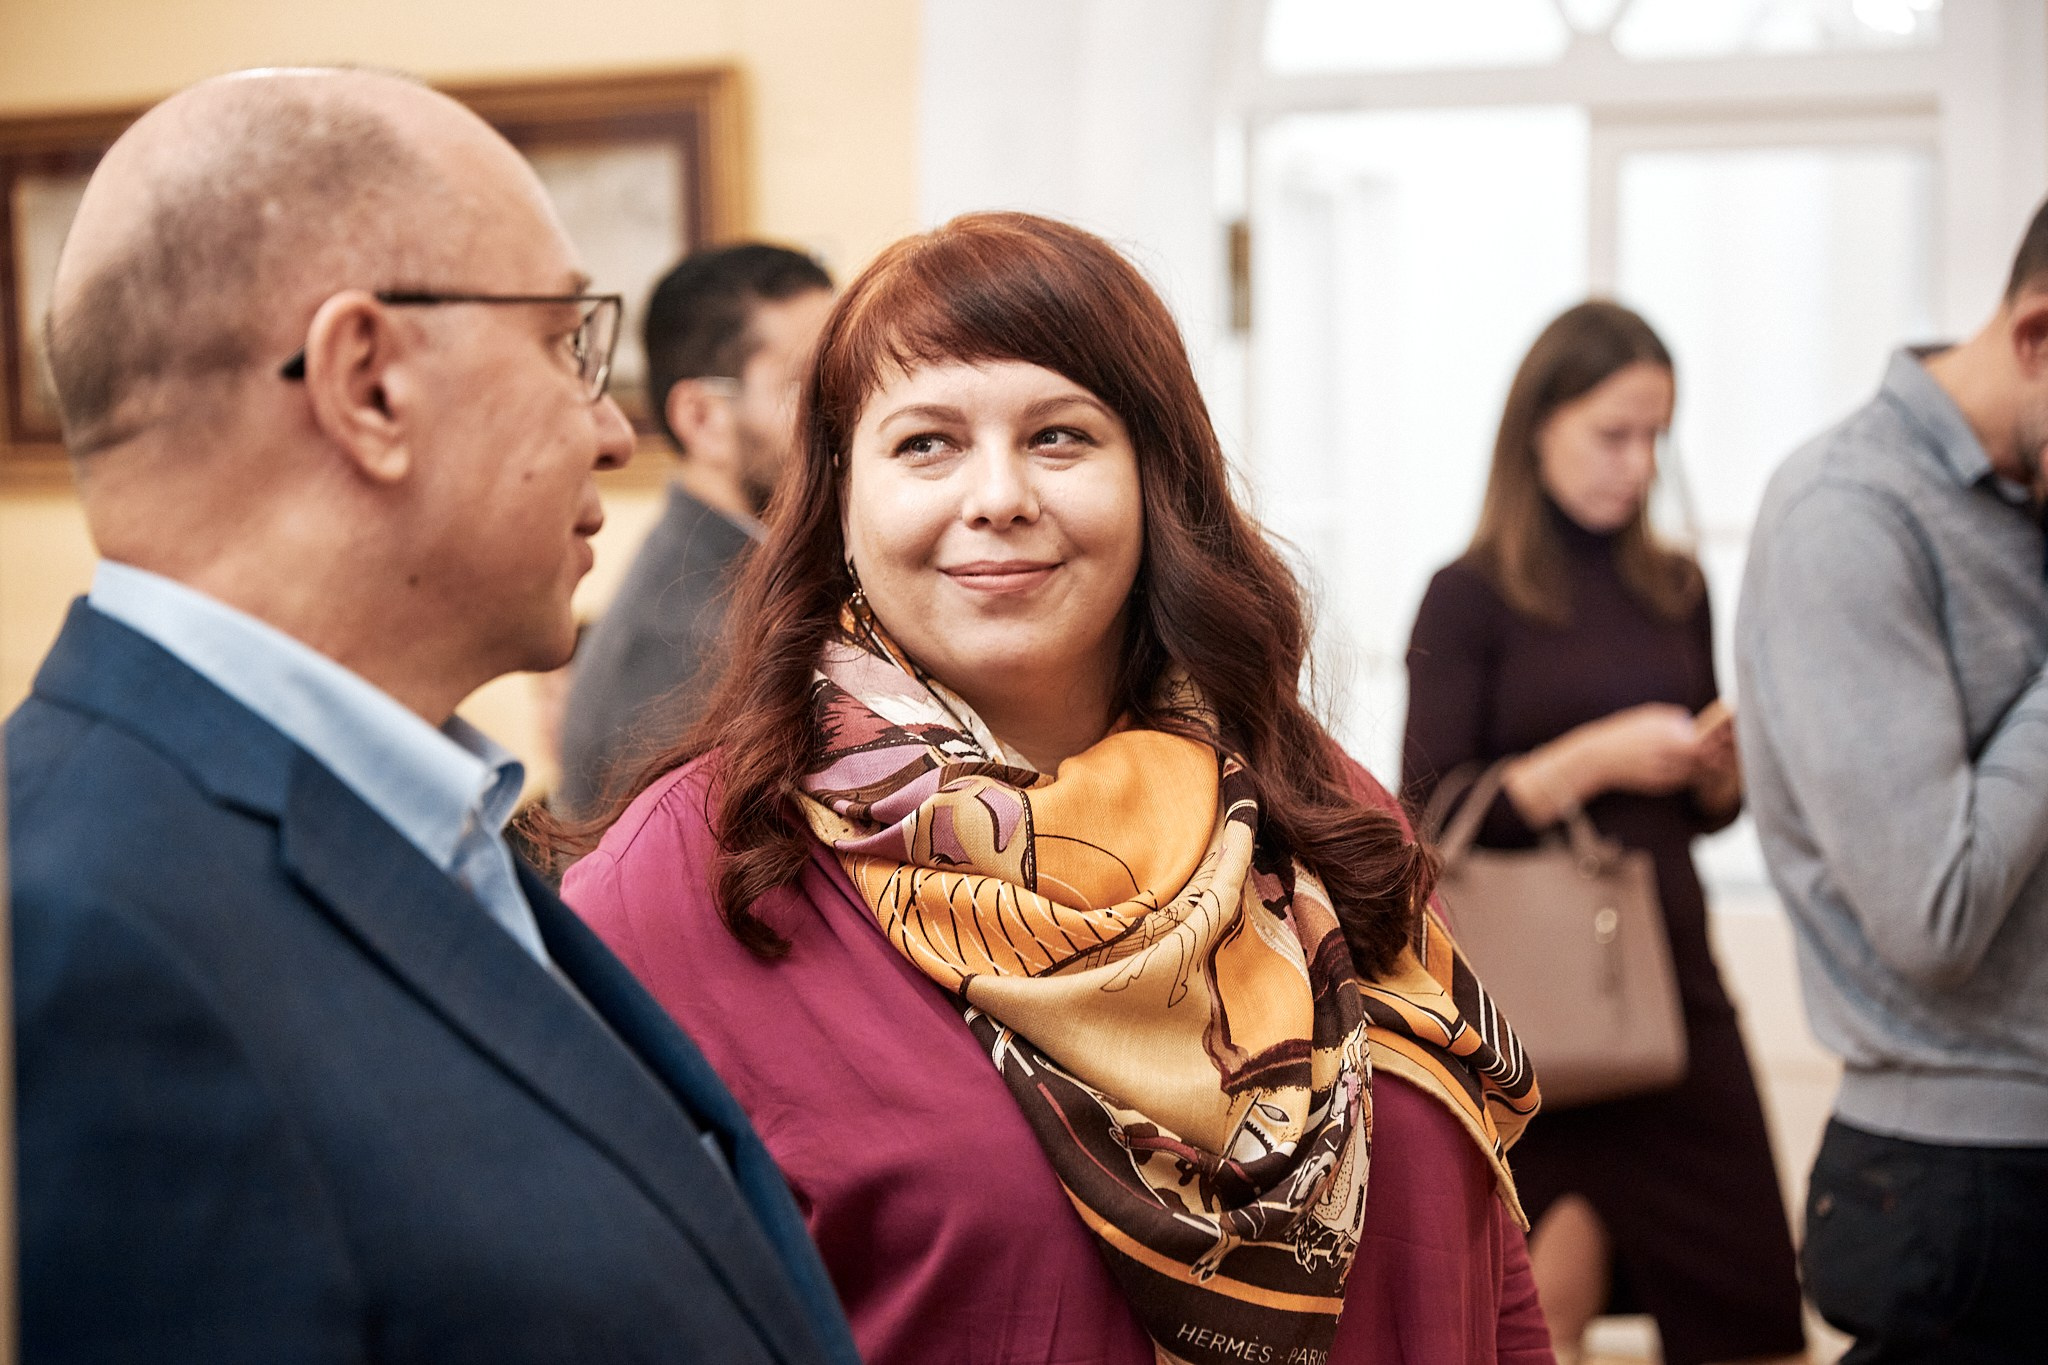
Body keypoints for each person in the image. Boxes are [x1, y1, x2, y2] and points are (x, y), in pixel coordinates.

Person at [565, 211, 1553, 1365]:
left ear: (1155, 480)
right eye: (925, 443)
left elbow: (1493, 1278)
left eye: (1059, 436)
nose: (997, 496)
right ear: (836, 498)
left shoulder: (1314, 803)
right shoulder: (689, 875)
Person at [7, 68, 858, 1365]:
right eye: (569, 345)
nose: (608, 432)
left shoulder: (426, 816)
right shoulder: (78, 928)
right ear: (370, 385)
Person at [1401, 302, 1805, 1365]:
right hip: (1523, 1012)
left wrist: (1714, 772)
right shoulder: (1465, 597)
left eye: (1654, 438)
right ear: (1536, 424)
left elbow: (1704, 814)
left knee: (1751, 1306)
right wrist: (1588, 762)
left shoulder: (1674, 585)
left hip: (1670, 989)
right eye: (1611, 433)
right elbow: (1422, 817)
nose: (1635, 464)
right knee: (1527, 1322)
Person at [1736, 204, 2048, 1363]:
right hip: (1964, 1186)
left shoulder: (2020, 498)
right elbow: (1932, 915)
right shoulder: (1846, 514)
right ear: (2033, 336)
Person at [557, 244, 833, 817]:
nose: (846, 415)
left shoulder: (759, 575)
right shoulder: (683, 648)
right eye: (809, 388)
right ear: (703, 418)